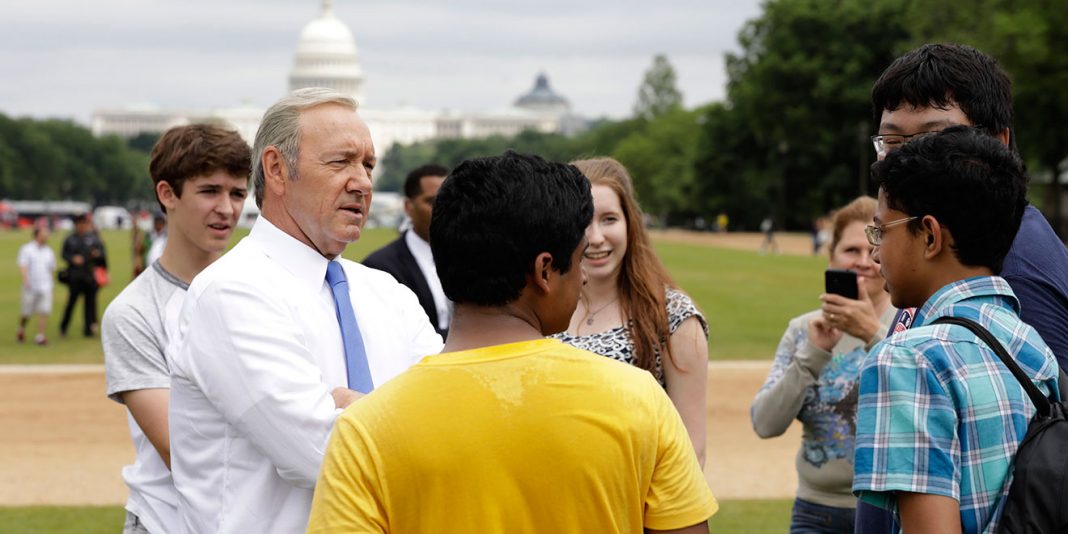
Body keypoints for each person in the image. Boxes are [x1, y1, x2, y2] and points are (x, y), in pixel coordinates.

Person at [306, 151, 718, 533]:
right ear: (544, 271)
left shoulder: (365, 430)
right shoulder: (637, 399)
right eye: (576, 262)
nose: (584, 276)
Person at [166, 87, 443, 534]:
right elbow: (326, 455)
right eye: (341, 162)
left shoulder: (386, 292)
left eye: (368, 165)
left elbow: (460, 420)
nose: (363, 183)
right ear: (276, 169)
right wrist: (406, 421)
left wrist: (353, 408)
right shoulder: (231, 292)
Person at [856, 42, 1068, 533]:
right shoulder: (979, 284)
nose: (908, 160)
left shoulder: (1018, 265)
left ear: (994, 142)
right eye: (893, 142)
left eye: (935, 137)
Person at [102, 124, 251, 534]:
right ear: (167, 194)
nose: (227, 208)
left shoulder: (263, 291)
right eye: (209, 191)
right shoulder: (134, 312)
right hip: (166, 523)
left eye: (237, 193)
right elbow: (185, 448)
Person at [751, 196, 896, 533]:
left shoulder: (912, 324)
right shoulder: (804, 330)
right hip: (817, 511)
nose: (863, 261)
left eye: (872, 249)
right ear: (831, 256)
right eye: (850, 251)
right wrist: (812, 355)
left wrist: (873, 334)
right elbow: (765, 423)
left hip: (890, 511)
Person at [552, 157, 709, 466]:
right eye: (584, 221)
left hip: (633, 506)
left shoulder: (672, 315)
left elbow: (691, 451)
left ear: (630, 223)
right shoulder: (542, 308)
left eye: (609, 219)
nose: (595, 237)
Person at [363, 164, 451, 337]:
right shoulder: (380, 268)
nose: (444, 208)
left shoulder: (472, 256)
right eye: (432, 202)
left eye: (449, 200)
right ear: (408, 206)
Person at [59, 212, 106, 337]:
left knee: (90, 304)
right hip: (74, 276)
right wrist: (72, 259)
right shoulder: (70, 239)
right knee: (71, 303)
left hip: (89, 275)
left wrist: (97, 254)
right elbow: (63, 254)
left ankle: (88, 329)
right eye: (79, 223)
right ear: (75, 225)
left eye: (83, 223)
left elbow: (102, 254)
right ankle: (63, 327)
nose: (81, 226)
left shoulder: (93, 238)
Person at [17, 223, 56, 346]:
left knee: (44, 310)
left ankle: (40, 336)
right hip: (31, 285)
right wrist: (26, 279)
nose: (46, 236)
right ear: (37, 235)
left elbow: (51, 268)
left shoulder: (49, 251)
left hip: (45, 285)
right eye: (44, 234)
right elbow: (23, 265)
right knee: (27, 312)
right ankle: (21, 328)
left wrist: (51, 281)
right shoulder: (27, 249)